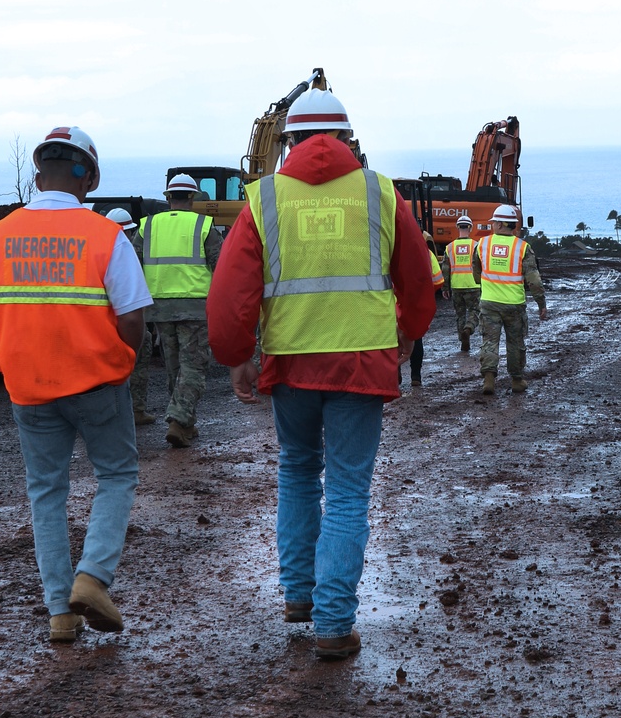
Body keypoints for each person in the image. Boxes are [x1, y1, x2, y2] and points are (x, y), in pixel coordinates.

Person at [207, 87, 436, 660]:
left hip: (290, 361)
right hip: (361, 358)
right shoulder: (381, 193)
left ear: (287, 142)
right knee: (349, 491)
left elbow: (231, 290)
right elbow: (415, 274)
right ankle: (334, 623)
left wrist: (236, 354)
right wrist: (409, 331)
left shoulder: (263, 199)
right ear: (346, 139)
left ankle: (298, 595)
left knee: (299, 471)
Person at [0, 126, 151, 641]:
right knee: (115, 475)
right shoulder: (106, 236)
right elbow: (132, 318)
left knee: (46, 492)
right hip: (98, 384)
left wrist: (17, 353)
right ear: (88, 176)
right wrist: (122, 358)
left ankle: (60, 614)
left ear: (36, 173)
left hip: (29, 387)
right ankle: (91, 579)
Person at [134, 173, 223, 445]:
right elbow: (221, 266)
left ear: (168, 197)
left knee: (175, 366)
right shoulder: (204, 225)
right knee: (193, 366)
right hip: (195, 306)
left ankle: (185, 422)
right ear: (193, 197)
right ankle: (179, 419)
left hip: (158, 307)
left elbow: (132, 266)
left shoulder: (146, 227)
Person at [472, 204, 548, 394]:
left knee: (490, 341)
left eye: (493, 223)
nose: (492, 226)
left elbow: (476, 271)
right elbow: (534, 279)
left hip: (489, 303)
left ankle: (489, 380)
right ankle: (516, 380)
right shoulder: (523, 247)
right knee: (515, 342)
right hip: (514, 305)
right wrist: (541, 303)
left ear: (499, 224)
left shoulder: (482, 244)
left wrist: (485, 284)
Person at [107, 208, 156, 426]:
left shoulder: (94, 250)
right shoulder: (128, 251)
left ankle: (110, 411)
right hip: (128, 320)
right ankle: (135, 410)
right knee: (137, 364)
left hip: (103, 324)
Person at [402, 233, 444, 388]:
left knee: (393, 339)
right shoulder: (426, 252)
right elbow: (438, 280)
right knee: (416, 337)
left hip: (392, 302)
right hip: (416, 303)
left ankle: (395, 376)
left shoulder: (388, 247)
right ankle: (416, 376)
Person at [443, 212, 481, 351]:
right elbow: (480, 267)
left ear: (457, 228)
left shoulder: (449, 247)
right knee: (474, 310)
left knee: (460, 315)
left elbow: (445, 269)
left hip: (456, 286)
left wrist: (445, 288)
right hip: (473, 285)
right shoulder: (476, 246)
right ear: (470, 228)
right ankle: (469, 328)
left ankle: (463, 341)